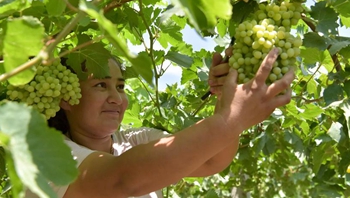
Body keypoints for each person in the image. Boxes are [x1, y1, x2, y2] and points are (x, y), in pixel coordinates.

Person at [30, 46, 293, 198]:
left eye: (120, 87)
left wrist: (225, 100)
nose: (116, 98)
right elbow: (120, 180)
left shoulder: (137, 141)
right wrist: (229, 120)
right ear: (67, 98)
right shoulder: (48, 158)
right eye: (101, 85)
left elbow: (211, 160)